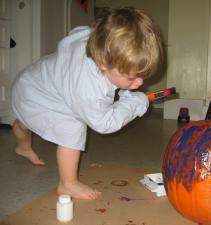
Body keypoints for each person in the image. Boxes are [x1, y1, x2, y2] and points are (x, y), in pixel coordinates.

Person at [11, 7, 163, 201]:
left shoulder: (95, 39)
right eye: (131, 77)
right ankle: (68, 183)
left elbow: (79, 33)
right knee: (73, 127)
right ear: (103, 64)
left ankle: (23, 147)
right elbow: (104, 124)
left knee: (26, 121)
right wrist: (136, 102)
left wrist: (126, 84)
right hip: (38, 94)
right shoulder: (90, 90)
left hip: (28, 84)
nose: (140, 83)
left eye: (143, 75)